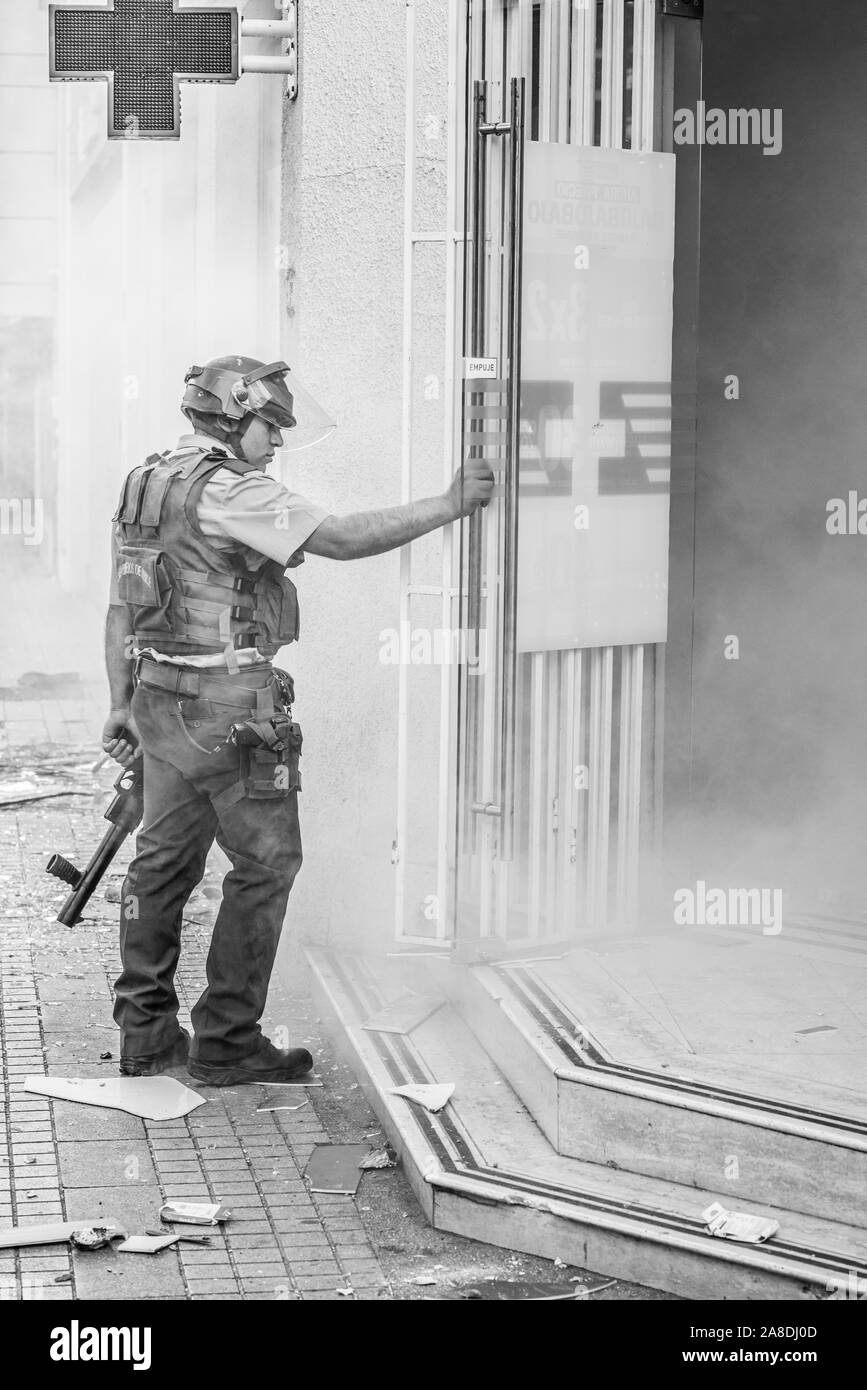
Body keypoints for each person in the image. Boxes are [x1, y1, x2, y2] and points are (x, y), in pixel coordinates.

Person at [103, 355, 493, 1085]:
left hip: (159, 698)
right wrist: (449, 504)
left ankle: (146, 1034)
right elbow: (341, 538)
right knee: (265, 864)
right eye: (269, 426)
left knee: (161, 865)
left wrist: (120, 703)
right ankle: (226, 1041)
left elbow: (123, 606)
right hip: (227, 709)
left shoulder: (146, 482)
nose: (276, 442)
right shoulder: (231, 491)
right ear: (232, 417)